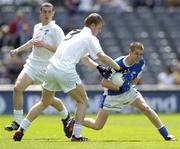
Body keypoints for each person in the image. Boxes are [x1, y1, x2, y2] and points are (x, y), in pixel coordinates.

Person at [13, 13, 121, 142]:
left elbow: (85, 59)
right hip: (65, 70)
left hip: (51, 68)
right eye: (99, 27)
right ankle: (77, 135)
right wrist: (119, 68)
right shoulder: (90, 38)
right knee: (83, 101)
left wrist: (98, 67)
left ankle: (21, 129)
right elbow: (102, 56)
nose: (99, 30)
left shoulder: (74, 33)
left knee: (44, 102)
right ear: (93, 25)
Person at [66, 42, 176, 141]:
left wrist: (128, 82)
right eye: (136, 53)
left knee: (146, 108)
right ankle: (75, 121)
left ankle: (166, 135)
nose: (139, 56)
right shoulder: (117, 64)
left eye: (141, 54)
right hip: (112, 95)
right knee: (97, 126)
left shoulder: (141, 62)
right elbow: (104, 83)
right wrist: (119, 87)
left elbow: (135, 80)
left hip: (128, 91)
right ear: (130, 52)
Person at [5, 2, 70, 133]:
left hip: (48, 69)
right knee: (17, 88)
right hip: (32, 65)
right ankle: (17, 122)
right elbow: (33, 41)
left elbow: (63, 50)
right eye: (44, 12)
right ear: (40, 13)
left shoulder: (56, 29)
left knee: (49, 100)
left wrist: (45, 45)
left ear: (53, 13)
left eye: (49, 12)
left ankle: (65, 116)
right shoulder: (37, 27)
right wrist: (17, 50)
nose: (46, 14)